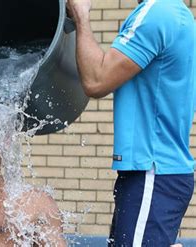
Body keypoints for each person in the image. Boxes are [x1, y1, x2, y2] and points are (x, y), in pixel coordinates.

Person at [67, 0, 195, 246]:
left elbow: (96, 80)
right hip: (155, 172)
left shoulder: (158, 12)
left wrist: (82, 17)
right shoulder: (177, 13)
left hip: (153, 171)